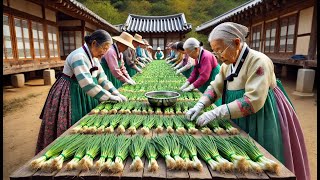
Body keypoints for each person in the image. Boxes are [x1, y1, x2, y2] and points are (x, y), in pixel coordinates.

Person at [186, 22, 310, 180]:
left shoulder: (259, 61)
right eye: (215, 51)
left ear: (237, 43)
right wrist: (201, 104)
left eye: (220, 50)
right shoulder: (227, 64)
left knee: (262, 154)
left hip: (262, 113)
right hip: (236, 112)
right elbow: (215, 86)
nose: (218, 55)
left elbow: (252, 101)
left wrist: (216, 112)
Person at [36, 29, 127, 154]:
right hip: (69, 91)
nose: (105, 52)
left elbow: (103, 79)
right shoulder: (79, 56)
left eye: (107, 49)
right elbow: (88, 85)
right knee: (70, 123)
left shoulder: (94, 58)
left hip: (82, 91)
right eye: (104, 48)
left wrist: (116, 92)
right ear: (94, 43)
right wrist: (110, 97)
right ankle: (64, 150)